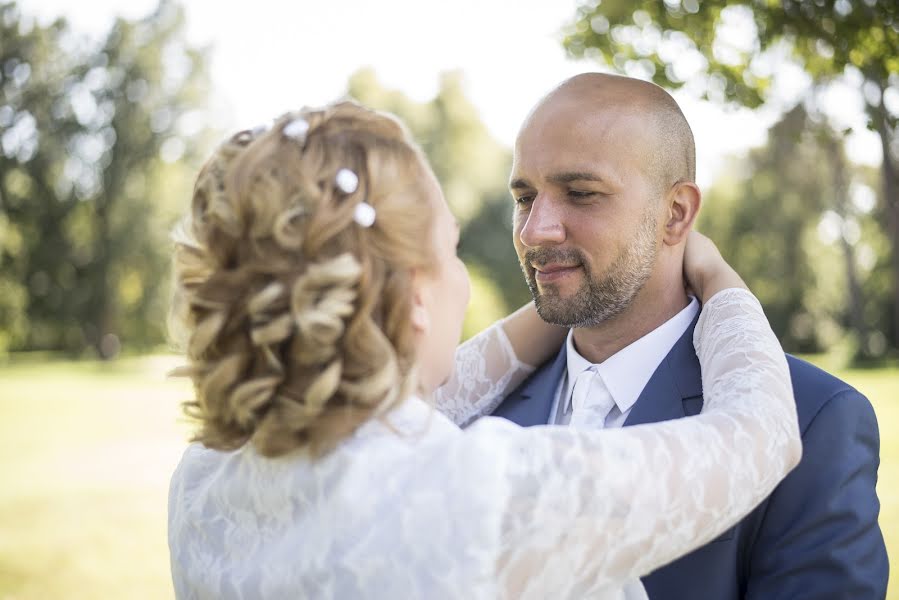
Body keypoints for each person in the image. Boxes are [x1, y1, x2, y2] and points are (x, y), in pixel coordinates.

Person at [166, 100, 801, 600]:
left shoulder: (204, 482)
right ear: (416, 294)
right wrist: (717, 278)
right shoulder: (480, 497)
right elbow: (761, 431)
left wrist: (577, 287)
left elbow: (433, 393)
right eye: (451, 252)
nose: (533, 231)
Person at [495, 72, 888, 598]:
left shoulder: (815, 419)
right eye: (524, 197)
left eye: (581, 193)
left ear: (676, 214)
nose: (534, 230)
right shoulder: (474, 408)